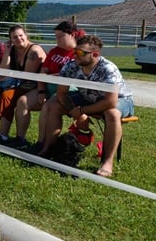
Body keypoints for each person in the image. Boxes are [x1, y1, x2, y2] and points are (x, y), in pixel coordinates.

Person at [37, 34, 134, 177]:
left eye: (80, 52)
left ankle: (107, 162)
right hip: (88, 97)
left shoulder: (108, 69)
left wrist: (82, 110)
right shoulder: (71, 65)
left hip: (120, 100)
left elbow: (110, 102)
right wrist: (78, 113)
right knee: (53, 103)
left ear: (94, 54)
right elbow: (62, 94)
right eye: (75, 51)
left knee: (112, 113)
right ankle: (47, 149)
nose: (75, 54)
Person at [13, 21, 82, 146]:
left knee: (47, 107)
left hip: (66, 92)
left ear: (72, 35)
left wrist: (50, 77)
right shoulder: (54, 51)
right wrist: (41, 91)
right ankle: (20, 138)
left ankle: (42, 143)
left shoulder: (79, 54)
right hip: (47, 89)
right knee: (22, 101)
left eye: (60, 37)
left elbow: (69, 77)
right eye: (55, 37)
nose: (57, 40)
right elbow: (42, 73)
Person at [0, 25, 46, 144]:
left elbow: (27, 76)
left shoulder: (34, 50)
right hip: (15, 82)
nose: (18, 39)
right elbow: (2, 70)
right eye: (14, 37)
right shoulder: (13, 50)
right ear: (11, 40)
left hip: (32, 86)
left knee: (7, 96)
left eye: (20, 35)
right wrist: (7, 51)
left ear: (26, 35)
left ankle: (3, 135)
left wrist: (8, 77)